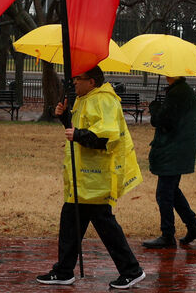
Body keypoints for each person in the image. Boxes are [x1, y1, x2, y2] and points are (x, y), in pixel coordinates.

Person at [37, 66, 145, 289]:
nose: (74, 82)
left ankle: (131, 270)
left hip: (96, 178)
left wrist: (78, 134)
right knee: (70, 222)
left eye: (79, 79)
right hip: (83, 178)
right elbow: (77, 129)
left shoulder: (103, 100)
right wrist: (64, 116)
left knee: (105, 226)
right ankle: (64, 271)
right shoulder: (84, 98)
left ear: (92, 82)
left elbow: (105, 136)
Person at [142, 75, 196, 249]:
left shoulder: (178, 93)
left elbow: (164, 122)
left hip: (173, 150)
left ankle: (167, 235)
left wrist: (155, 110)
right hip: (179, 149)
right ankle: (193, 226)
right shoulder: (182, 91)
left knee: (163, 194)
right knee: (172, 191)